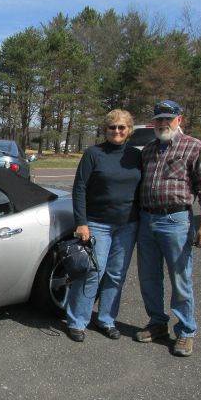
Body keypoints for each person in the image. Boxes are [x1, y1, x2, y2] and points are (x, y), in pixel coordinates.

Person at [135, 100, 201, 357]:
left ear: (179, 119)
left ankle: (185, 331)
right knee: (148, 277)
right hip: (147, 221)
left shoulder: (193, 146)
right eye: (158, 118)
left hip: (176, 221)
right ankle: (157, 323)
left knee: (180, 278)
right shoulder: (147, 150)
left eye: (168, 118)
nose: (163, 123)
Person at [66, 109, 141, 342]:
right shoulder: (93, 154)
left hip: (127, 225)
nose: (117, 131)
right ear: (105, 129)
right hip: (98, 224)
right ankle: (77, 320)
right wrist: (82, 222)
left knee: (116, 274)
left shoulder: (135, 156)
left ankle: (106, 319)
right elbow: (79, 188)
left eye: (122, 127)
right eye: (112, 127)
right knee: (92, 273)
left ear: (129, 130)